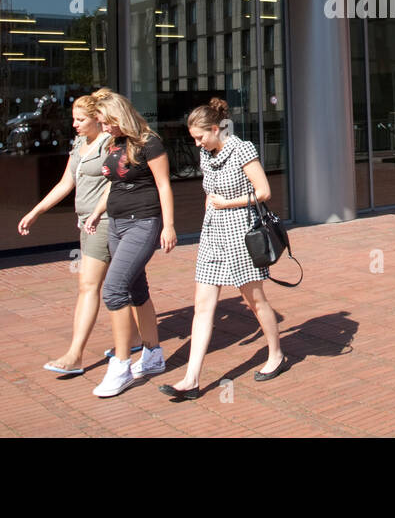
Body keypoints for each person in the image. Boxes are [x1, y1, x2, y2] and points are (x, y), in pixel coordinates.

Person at [159, 98, 286, 401]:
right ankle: (191, 379)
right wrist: (210, 203)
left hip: (241, 232)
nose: (197, 144)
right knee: (203, 305)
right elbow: (210, 189)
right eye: (194, 139)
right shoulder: (207, 153)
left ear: (216, 129)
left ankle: (277, 354)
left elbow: (264, 192)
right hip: (213, 233)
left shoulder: (241, 148)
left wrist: (227, 203)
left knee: (255, 300)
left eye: (201, 137)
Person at [18, 92, 141, 375]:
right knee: (127, 283)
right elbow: (66, 183)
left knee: (88, 285)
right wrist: (36, 211)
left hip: (106, 221)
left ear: (98, 119)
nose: (75, 124)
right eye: (73, 119)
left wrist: (98, 212)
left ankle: (75, 354)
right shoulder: (79, 144)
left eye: (81, 119)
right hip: (86, 222)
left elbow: (115, 183)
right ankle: (137, 338)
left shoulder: (110, 144)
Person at [82, 91, 178, 397]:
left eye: (107, 122)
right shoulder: (116, 143)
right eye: (100, 122)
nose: (104, 127)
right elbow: (114, 184)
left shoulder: (150, 142)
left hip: (143, 222)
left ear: (119, 116)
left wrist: (170, 225)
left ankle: (121, 366)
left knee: (113, 289)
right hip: (117, 224)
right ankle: (153, 355)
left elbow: (164, 185)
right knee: (137, 289)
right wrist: (97, 213)